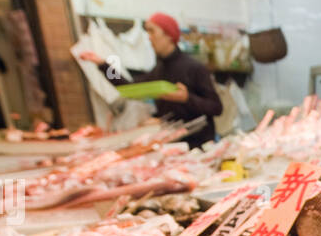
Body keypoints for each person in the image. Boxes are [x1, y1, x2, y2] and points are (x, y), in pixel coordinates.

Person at [77, 13, 222, 147]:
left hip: (200, 146)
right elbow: (127, 88)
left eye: (152, 31)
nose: (148, 37)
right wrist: (103, 65)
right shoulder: (158, 70)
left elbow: (216, 107)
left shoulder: (194, 67)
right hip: (172, 146)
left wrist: (187, 98)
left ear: (169, 35)